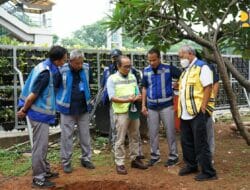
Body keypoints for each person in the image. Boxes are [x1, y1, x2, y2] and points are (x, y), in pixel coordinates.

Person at [17, 46, 68, 188]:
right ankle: (38, 178)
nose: (65, 61)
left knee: (43, 145)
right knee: (40, 147)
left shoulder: (44, 66)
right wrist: (24, 110)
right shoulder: (46, 73)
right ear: (57, 60)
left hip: (40, 114)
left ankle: (44, 171)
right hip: (38, 114)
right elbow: (33, 95)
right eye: (64, 59)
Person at [177, 45, 217, 181]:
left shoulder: (202, 67)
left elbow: (208, 87)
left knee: (200, 142)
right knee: (186, 141)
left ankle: (208, 172)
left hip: (198, 111)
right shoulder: (186, 70)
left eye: (181, 56)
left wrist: (204, 106)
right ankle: (191, 165)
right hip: (185, 112)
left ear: (189, 54)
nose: (180, 59)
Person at [107, 55, 148, 175]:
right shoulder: (112, 79)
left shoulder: (132, 77)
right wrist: (127, 100)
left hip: (133, 111)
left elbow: (136, 91)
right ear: (118, 66)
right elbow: (112, 97)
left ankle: (135, 159)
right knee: (120, 138)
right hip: (121, 113)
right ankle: (119, 163)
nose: (128, 69)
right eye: (125, 67)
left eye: (130, 66)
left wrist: (138, 97)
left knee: (135, 136)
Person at [56, 50, 95, 173]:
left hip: (83, 108)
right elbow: (56, 86)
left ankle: (86, 159)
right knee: (66, 137)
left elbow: (90, 83)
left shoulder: (87, 69)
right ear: (70, 61)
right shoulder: (62, 70)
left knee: (85, 135)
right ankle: (66, 162)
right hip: (67, 109)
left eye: (81, 63)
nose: (80, 65)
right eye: (77, 63)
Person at [141, 48, 181, 167]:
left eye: (154, 60)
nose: (152, 62)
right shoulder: (146, 71)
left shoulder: (168, 69)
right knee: (153, 133)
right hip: (152, 106)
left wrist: (177, 83)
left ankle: (173, 156)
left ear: (159, 58)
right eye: (149, 60)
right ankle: (155, 156)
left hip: (167, 106)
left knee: (170, 132)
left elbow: (184, 75)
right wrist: (143, 105)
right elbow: (144, 88)